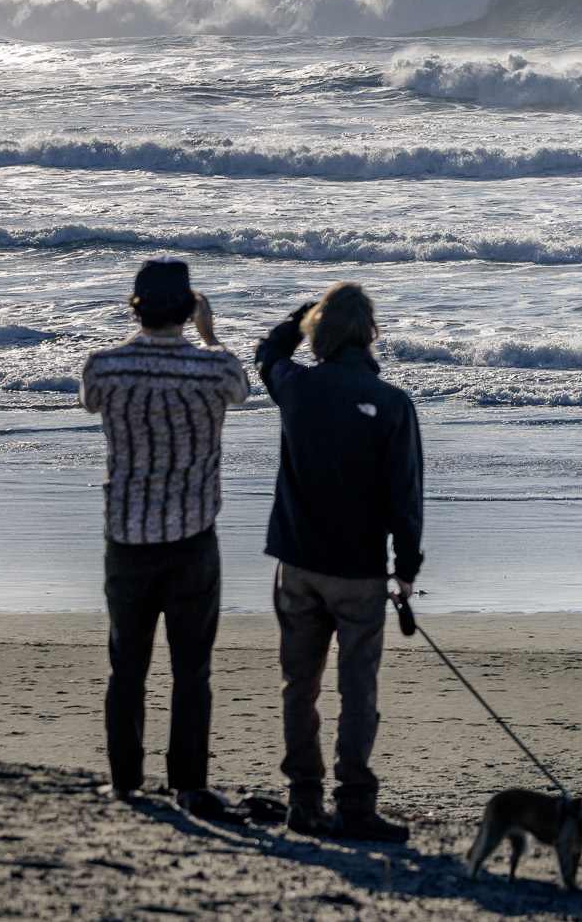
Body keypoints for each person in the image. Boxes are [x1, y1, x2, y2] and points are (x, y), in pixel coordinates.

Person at [80, 259, 250, 819]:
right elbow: (242, 390)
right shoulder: (214, 370)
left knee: (127, 665)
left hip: (127, 535)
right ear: (189, 307)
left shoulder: (104, 367)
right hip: (191, 537)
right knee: (191, 669)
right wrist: (209, 333)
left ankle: (125, 781)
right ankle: (189, 785)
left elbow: (90, 402)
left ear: (135, 304)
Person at [256, 282, 424, 842]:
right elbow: (405, 494)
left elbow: (267, 353)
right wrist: (406, 566)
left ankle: (303, 799)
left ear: (319, 335)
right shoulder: (393, 404)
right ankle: (354, 803)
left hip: (298, 563)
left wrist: (298, 317)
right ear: (370, 335)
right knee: (359, 690)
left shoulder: (297, 387)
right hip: (357, 571)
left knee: (298, 686)